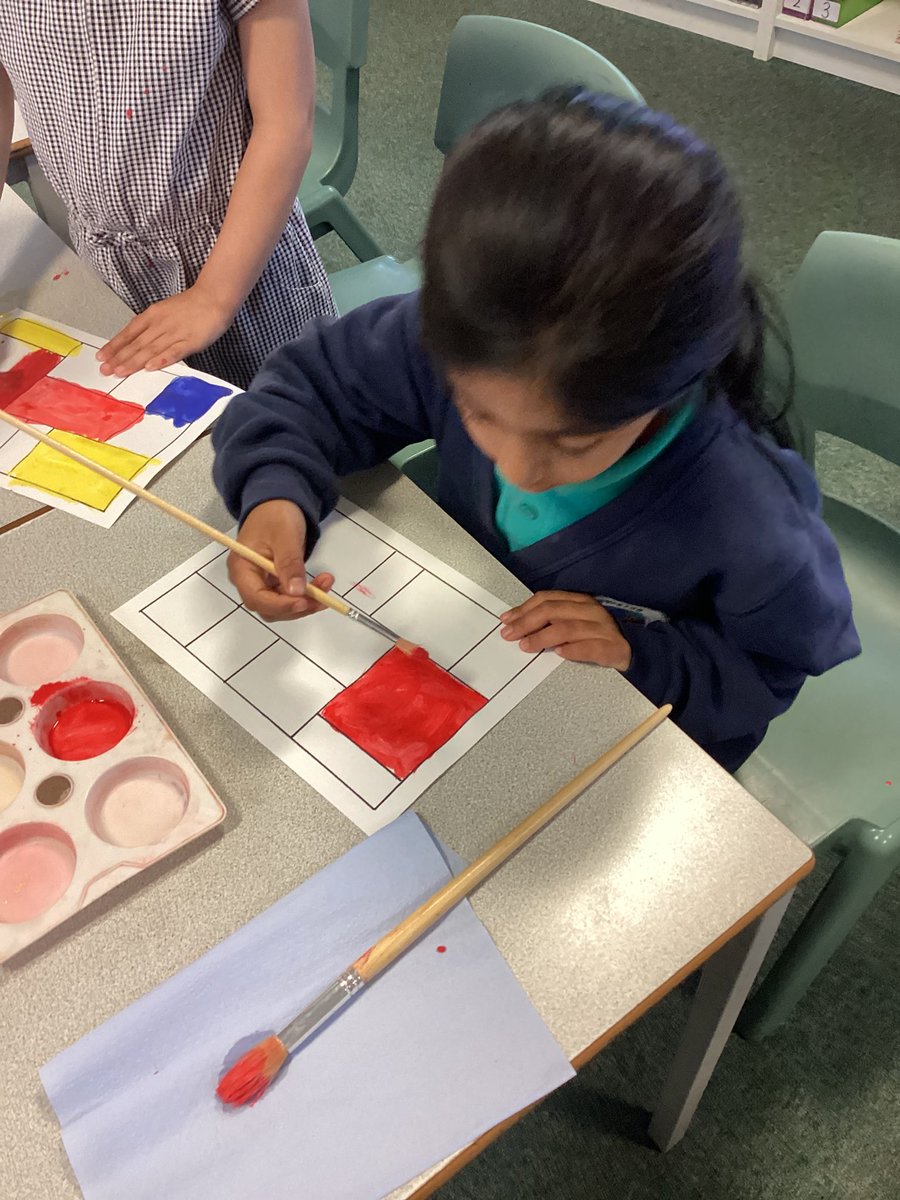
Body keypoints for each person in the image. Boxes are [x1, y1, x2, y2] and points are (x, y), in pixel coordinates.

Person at [210, 90, 859, 771]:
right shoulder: (462, 336)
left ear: (667, 388)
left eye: (573, 441)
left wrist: (643, 652)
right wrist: (274, 494)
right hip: (462, 652)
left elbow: (770, 669)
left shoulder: (750, 516)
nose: (519, 470)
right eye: (480, 414)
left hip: (609, 742)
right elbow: (308, 392)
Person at [0, 0, 334, 389]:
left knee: (293, 429)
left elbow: (287, 127)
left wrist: (214, 296)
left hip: (238, 263)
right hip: (107, 267)